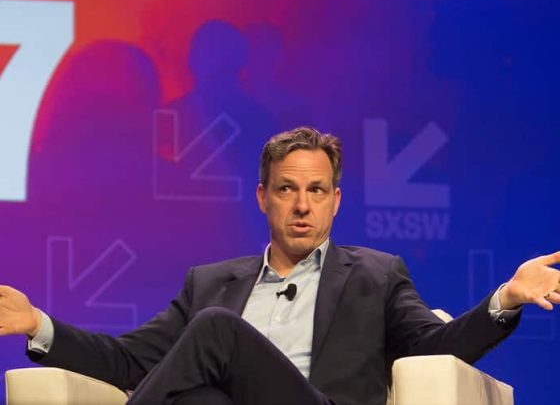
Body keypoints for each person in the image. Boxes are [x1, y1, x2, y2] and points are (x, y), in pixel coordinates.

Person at [1, 127, 559, 405]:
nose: (302, 206)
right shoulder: (210, 282)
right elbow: (129, 363)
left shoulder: (375, 276)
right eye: (287, 189)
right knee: (199, 393)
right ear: (262, 197)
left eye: (316, 190)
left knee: (217, 331)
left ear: (336, 201)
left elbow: (435, 347)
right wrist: (37, 325)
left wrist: (504, 300)